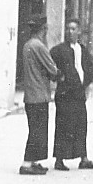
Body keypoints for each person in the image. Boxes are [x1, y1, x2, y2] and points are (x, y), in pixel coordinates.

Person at [49, 18, 93, 171]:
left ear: (79, 31)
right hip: (65, 94)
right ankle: (59, 160)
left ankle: (83, 158)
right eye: (68, 28)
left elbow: (92, 64)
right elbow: (49, 64)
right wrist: (58, 76)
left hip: (79, 93)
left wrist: (86, 83)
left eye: (73, 29)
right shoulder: (58, 50)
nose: (70, 31)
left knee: (81, 125)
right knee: (63, 126)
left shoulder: (82, 49)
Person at [19, 17, 60, 175]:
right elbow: (53, 70)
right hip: (39, 95)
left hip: (30, 95)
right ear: (43, 29)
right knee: (37, 131)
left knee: (35, 129)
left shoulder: (28, 45)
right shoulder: (39, 46)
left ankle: (34, 161)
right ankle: (27, 163)